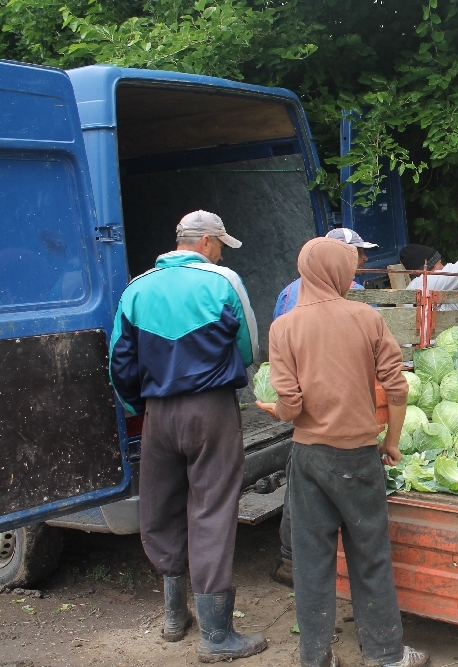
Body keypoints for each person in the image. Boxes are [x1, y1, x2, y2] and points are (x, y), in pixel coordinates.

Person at [256, 237, 428, 667]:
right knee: (369, 556)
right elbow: (397, 386)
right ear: (336, 272)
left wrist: (275, 411)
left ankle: (316, 658)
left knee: (312, 564)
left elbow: (291, 406)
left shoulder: (284, 328)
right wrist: (390, 441)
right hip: (358, 457)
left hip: (309, 458)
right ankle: (386, 656)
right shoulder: (366, 317)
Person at [109, 210, 267, 661]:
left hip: (158, 414)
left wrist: (140, 407)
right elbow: (249, 347)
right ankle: (217, 636)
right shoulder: (223, 282)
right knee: (212, 508)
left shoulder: (136, 289)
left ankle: (175, 617)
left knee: (162, 506)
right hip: (211, 410)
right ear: (206, 242)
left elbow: (119, 362)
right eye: (221, 244)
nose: (221, 252)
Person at [271, 227, 378, 587]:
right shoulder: (355, 298)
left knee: (301, 493)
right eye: (356, 253)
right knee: (358, 524)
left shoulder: (288, 293)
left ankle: (290, 559)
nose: (361, 260)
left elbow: (282, 354)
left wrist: (286, 405)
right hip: (345, 422)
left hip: (303, 417)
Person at [274, 227, 374, 319]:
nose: (365, 258)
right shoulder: (355, 290)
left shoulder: (287, 292)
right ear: (338, 256)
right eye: (357, 252)